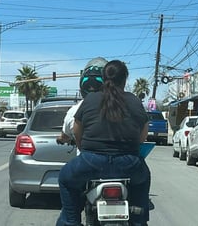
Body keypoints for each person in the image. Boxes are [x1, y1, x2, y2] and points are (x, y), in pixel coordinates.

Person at [56, 60, 151, 226]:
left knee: (65, 178)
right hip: (129, 162)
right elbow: (142, 136)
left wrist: (82, 148)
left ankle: (70, 222)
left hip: (91, 161)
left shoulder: (91, 99)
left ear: (104, 77)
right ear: (125, 79)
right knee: (143, 178)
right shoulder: (134, 101)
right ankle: (138, 221)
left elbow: (77, 130)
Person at [56, 57, 108, 146]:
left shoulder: (74, 111)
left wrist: (60, 139)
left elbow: (65, 136)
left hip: (87, 158)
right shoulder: (123, 107)